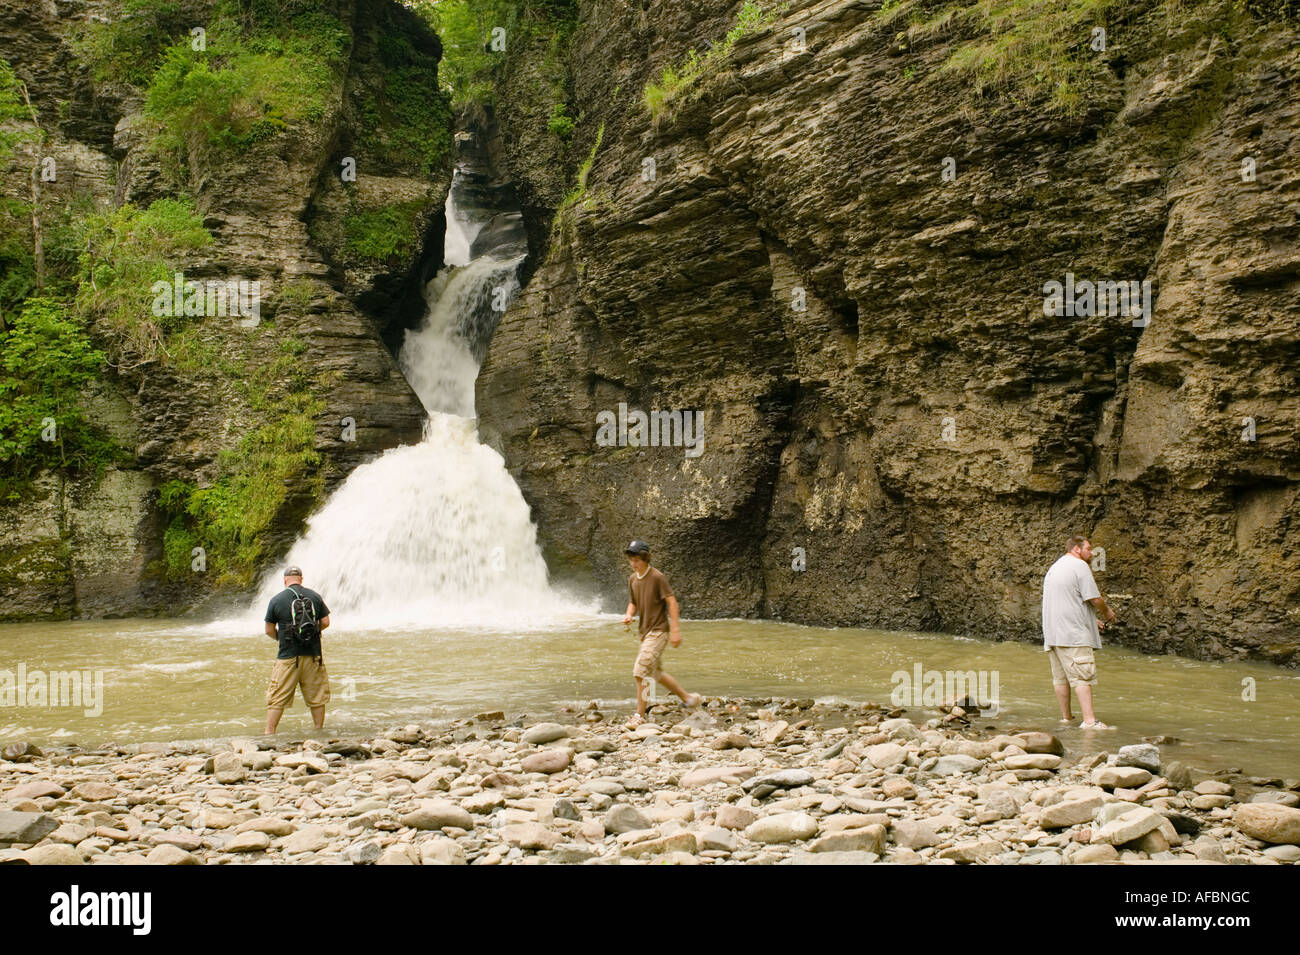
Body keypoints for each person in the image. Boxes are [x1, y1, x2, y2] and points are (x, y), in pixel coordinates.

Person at [621, 540, 701, 726]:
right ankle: (689, 699)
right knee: (655, 673)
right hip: (644, 632)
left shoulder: (657, 577)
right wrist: (628, 614)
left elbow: (672, 602)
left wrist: (675, 630)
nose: (633, 563)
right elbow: (633, 602)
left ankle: (640, 716)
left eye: (637, 559)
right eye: (630, 559)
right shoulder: (633, 579)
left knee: (640, 671)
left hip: (658, 631)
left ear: (645, 558)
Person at [1041, 536, 1117, 729]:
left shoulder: (1055, 567)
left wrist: (1093, 620)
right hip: (1073, 635)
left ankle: (1066, 719)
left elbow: (1068, 600)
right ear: (1077, 549)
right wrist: (1107, 613)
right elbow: (1095, 598)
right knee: (1082, 676)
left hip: (1053, 634)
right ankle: (1090, 721)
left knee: (1061, 678)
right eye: (1089, 549)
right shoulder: (1080, 566)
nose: (1092, 553)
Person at [263, 565, 331, 734]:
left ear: (285, 580)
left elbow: (268, 630)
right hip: (313, 654)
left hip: (288, 657)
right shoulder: (314, 596)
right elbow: (326, 622)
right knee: (317, 697)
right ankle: (318, 731)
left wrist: (282, 638)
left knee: (277, 698)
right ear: (301, 579)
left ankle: (269, 733)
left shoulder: (276, 600)